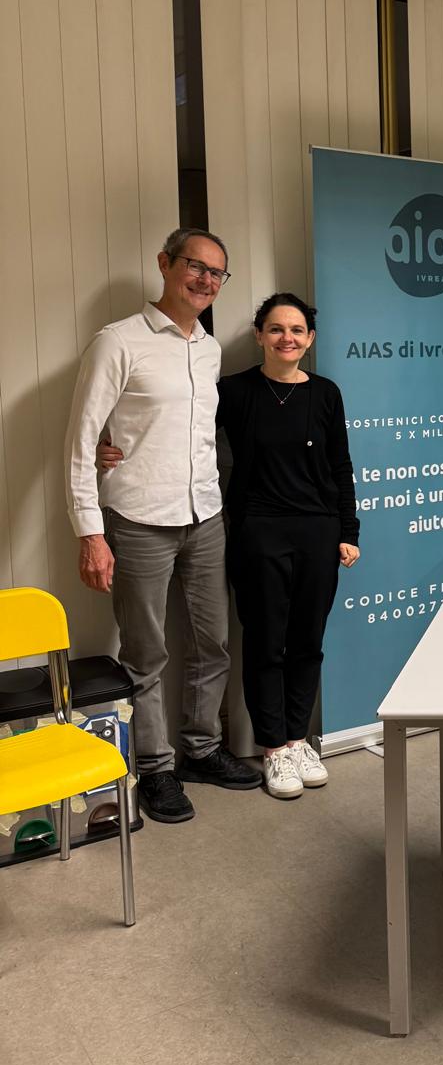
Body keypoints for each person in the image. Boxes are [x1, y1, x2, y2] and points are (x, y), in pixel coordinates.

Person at [64, 228, 259, 824]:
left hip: (206, 516)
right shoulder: (117, 342)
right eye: (195, 266)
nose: (205, 280)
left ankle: (202, 749)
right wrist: (90, 533)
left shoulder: (209, 348)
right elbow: (81, 441)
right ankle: (155, 767)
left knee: (212, 644)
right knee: (145, 653)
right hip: (138, 520)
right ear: (165, 265)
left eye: (216, 273)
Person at [216, 294, 360, 800]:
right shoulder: (233, 391)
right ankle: (273, 748)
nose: (287, 338)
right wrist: (114, 444)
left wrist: (348, 531)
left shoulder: (325, 393)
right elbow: (180, 432)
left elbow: (341, 465)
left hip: (318, 530)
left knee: (306, 641)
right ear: (259, 335)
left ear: (310, 339)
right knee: (264, 642)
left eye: (297, 330)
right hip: (258, 531)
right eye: (276, 329)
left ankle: (298, 741)